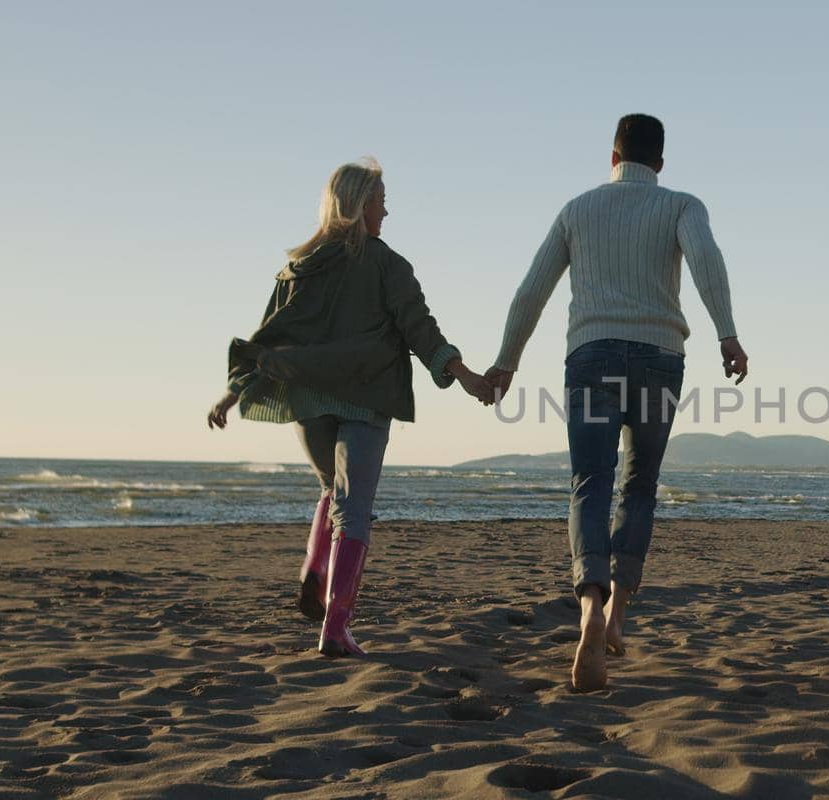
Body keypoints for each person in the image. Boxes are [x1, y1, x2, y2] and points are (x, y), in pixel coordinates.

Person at [486, 114, 748, 691]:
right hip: (659, 359)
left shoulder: (577, 209)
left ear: (613, 157)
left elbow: (532, 289)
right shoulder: (681, 205)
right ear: (659, 162)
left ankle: (588, 611)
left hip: (591, 357)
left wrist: (506, 363)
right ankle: (618, 616)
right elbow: (706, 261)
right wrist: (727, 333)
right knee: (639, 485)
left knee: (590, 483)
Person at [207, 158, 492, 657]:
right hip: (366, 396)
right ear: (361, 205)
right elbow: (420, 329)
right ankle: (335, 626)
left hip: (308, 401)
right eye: (381, 201)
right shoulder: (387, 264)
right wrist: (463, 374)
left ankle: (314, 571)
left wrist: (235, 393)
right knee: (353, 510)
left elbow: (269, 337)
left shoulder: (297, 268)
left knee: (329, 492)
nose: (387, 210)